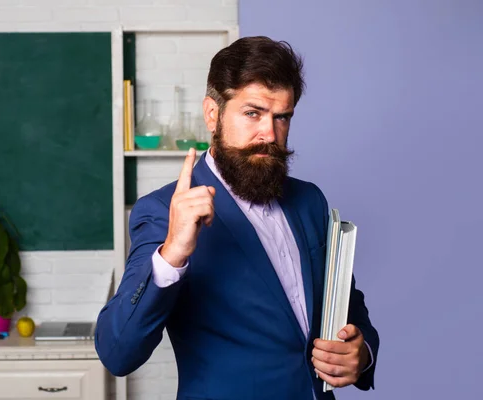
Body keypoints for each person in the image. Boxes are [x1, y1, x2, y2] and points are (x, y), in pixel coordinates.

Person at [95, 36, 379, 400]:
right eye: (252, 113)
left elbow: (348, 303)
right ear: (212, 114)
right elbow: (117, 353)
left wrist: (363, 353)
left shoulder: (310, 201)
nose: (270, 134)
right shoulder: (164, 211)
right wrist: (172, 254)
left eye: (282, 117)